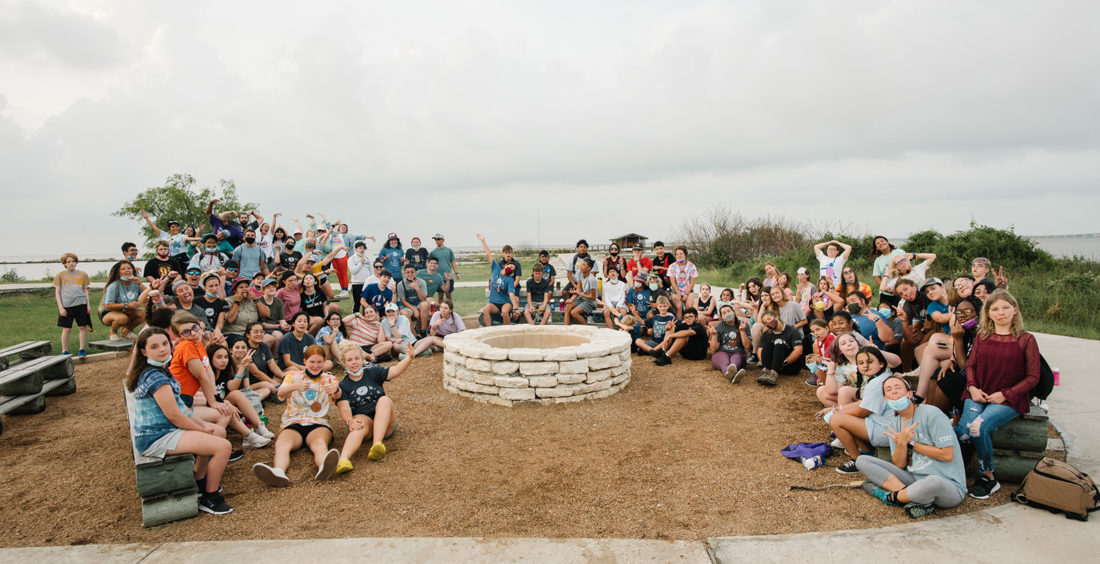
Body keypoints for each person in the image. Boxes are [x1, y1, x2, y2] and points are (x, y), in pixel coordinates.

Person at [127, 328, 234, 514]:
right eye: (154, 346)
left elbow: (182, 407)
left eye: (164, 344)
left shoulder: (162, 369)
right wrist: (199, 430)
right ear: (144, 352)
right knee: (223, 446)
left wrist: (201, 425)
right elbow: (174, 415)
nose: (162, 349)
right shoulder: (155, 377)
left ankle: (199, 481)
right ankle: (211, 497)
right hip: (156, 436)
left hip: (167, 429)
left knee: (218, 432)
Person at [953, 289, 1039, 499]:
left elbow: (1033, 377)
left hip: (1008, 398)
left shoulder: (1026, 339)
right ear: (988, 313)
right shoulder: (983, 336)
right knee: (963, 430)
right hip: (977, 392)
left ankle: (988, 476)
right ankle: (956, 469)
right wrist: (972, 388)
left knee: (977, 427)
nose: (1000, 313)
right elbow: (970, 367)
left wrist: (1006, 394)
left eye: (1005, 308)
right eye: (995, 309)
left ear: (1015, 310)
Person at [855, 375, 966, 519]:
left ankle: (892, 497)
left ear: (910, 394)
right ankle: (911, 495)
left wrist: (911, 443)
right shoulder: (894, 424)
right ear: (885, 398)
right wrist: (901, 444)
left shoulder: (932, 414)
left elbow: (947, 455)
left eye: (898, 387)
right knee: (862, 461)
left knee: (933, 482)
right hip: (915, 478)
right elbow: (900, 464)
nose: (893, 391)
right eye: (888, 389)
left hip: (948, 485)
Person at [252, 345, 343, 487]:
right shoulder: (293, 376)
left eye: (319, 362)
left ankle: (324, 467)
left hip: (318, 422)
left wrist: (336, 390)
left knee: (319, 444)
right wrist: (295, 386)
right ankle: (278, 472)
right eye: (312, 362)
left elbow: (338, 395)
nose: (316, 365)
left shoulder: (329, 378)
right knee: (282, 445)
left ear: (325, 362)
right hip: (293, 421)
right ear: (305, 361)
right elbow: (280, 392)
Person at [334, 342, 412, 473]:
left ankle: (377, 444)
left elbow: (395, 370)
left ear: (362, 359)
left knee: (384, 400)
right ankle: (343, 459)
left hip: (385, 422)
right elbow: (344, 407)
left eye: (357, 358)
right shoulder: (343, 385)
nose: (354, 362)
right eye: (349, 360)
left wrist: (409, 358)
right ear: (343, 363)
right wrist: (349, 421)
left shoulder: (372, 372)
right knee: (358, 420)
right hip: (366, 424)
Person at [823, 346, 897, 474]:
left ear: (881, 363)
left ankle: (857, 460)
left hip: (885, 431)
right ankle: (867, 452)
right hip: (886, 427)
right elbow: (861, 404)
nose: (865, 366)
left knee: (835, 420)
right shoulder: (880, 377)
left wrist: (838, 413)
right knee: (838, 416)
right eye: (861, 363)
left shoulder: (877, 382)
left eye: (870, 362)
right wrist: (836, 409)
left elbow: (862, 411)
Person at [206, 342, 274, 448]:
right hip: (211, 404)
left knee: (236, 393)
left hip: (223, 402)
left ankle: (259, 426)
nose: (224, 360)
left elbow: (232, 387)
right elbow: (205, 396)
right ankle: (248, 435)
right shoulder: (206, 374)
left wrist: (242, 367)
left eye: (225, 357)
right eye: (219, 357)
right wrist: (225, 403)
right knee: (228, 404)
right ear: (210, 359)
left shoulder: (224, 371)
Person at [100, 260, 148, 341]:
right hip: (109, 312)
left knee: (145, 313)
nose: (127, 270)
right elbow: (107, 305)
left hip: (128, 311)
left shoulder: (135, 284)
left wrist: (140, 283)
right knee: (122, 319)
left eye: (129, 268)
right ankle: (113, 331)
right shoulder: (114, 286)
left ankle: (128, 331)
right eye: (123, 269)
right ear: (119, 273)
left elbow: (148, 294)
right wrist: (127, 305)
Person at [54, 253, 91, 357]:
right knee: (66, 328)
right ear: (64, 264)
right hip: (66, 305)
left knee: (82, 327)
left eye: (73, 261)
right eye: (68, 262)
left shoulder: (83, 274)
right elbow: (57, 292)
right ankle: (64, 351)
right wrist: (61, 308)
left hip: (81, 304)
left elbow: (85, 290)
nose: (71, 263)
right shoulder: (60, 275)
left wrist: (88, 305)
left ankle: (81, 350)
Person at [754, 310, 805, 386]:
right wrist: (765, 362)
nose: (768, 323)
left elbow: (798, 350)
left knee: (779, 345)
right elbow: (760, 350)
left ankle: (773, 374)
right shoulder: (767, 333)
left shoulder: (792, 331)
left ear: (776, 317)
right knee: (768, 344)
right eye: (765, 323)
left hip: (789, 365)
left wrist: (783, 363)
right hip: (772, 365)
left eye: (769, 319)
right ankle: (766, 372)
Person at [478, 234, 519, 326]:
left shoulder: (510, 280)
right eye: (510, 267)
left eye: (513, 269)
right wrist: (482, 240)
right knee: (485, 310)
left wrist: (516, 309)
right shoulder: (496, 269)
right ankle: (489, 330)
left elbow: (511, 294)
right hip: (494, 303)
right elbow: (488, 254)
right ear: (505, 266)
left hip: (506, 302)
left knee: (505, 312)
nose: (511, 269)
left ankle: (506, 331)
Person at [710, 304, 749, 382]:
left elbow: (747, 346)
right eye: (724, 313)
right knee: (724, 361)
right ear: (721, 316)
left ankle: (731, 374)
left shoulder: (743, 325)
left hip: (738, 352)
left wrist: (742, 332)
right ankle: (732, 375)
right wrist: (714, 336)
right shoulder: (718, 327)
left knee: (735, 361)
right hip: (721, 352)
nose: (727, 314)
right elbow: (713, 349)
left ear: (733, 312)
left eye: (728, 311)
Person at [242, 322, 284, 392]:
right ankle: (276, 392)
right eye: (256, 332)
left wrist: (283, 376)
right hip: (251, 383)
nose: (259, 334)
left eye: (262, 332)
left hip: (265, 379)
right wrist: (273, 383)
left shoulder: (263, 346)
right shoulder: (245, 349)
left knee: (284, 375)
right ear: (248, 335)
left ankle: (277, 390)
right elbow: (256, 373)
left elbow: (272, 364)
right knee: (268, 385)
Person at [396, 264, 431, 336]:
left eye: (412, 272)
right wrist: (414, 310)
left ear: (415, 273)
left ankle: (423, 331)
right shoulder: (401, 284)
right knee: (405, 313)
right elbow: (403, 301)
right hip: (408, 306)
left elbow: (423, 299)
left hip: (419, 304)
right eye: (407, 272)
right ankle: (414, 335)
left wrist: (417, 288)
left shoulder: (421, 282)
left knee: (424, 304)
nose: (410, 274)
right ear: (404, 273)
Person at [871, 236, 906, 306]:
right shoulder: (878, 260)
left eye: (882, 241)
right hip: (886, 294)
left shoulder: (900, 252)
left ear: (887, 242)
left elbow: (908, 267)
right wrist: (887, 289)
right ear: (877, 248)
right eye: (878, 243)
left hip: (903, 290)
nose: (881, 243)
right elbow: (877, 277)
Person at [563, 258, 598, 326]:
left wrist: (580, 293)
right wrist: (571, 299)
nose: (581, 266)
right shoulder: (580, 273)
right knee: (568, 306)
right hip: (581, 298)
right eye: (581, 264)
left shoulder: (592, 279)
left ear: (589, 268)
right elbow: (579, 290)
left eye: (584, 265)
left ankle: (588, 329)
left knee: (574, 313)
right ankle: (566, 328)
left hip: (590, 302)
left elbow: (593, 298)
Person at [666, 246, 697, 317]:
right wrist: (678, 293)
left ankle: (688, 324)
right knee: (679, 307)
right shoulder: (672, 266)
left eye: (681, 254)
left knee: (689, 307)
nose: (679, 256)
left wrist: (686, 294)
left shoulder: (691, 266)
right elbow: (673, 283)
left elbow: (692, 282)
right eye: (677, 254)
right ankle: (679, 325)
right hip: (676, 290)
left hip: (688, 290)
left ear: (685, 255)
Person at [429, 233, 460, 301]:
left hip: (448, 277)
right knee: (440, 296)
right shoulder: (433, 252)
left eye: (438, 239)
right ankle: (440, 311)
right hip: (438, 277)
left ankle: (450, 311)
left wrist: (456, 273)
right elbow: (430, 265)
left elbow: (453, 262)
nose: (437, 241)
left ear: (443, 240)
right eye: (435, 239)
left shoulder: (448, 250)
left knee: (448, 296)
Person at [348, 241, 372, 314]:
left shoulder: (368, 258)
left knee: (367, 302)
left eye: (363, 248)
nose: (362, 250)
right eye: (360, 248)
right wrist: (360, 263)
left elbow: (371, 271)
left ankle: (366, 317)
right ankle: (355, 317)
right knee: (357, 302)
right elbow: (353, 271)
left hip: (367, 284)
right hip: (356, 284)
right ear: (355, 249)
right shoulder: (351, 259)